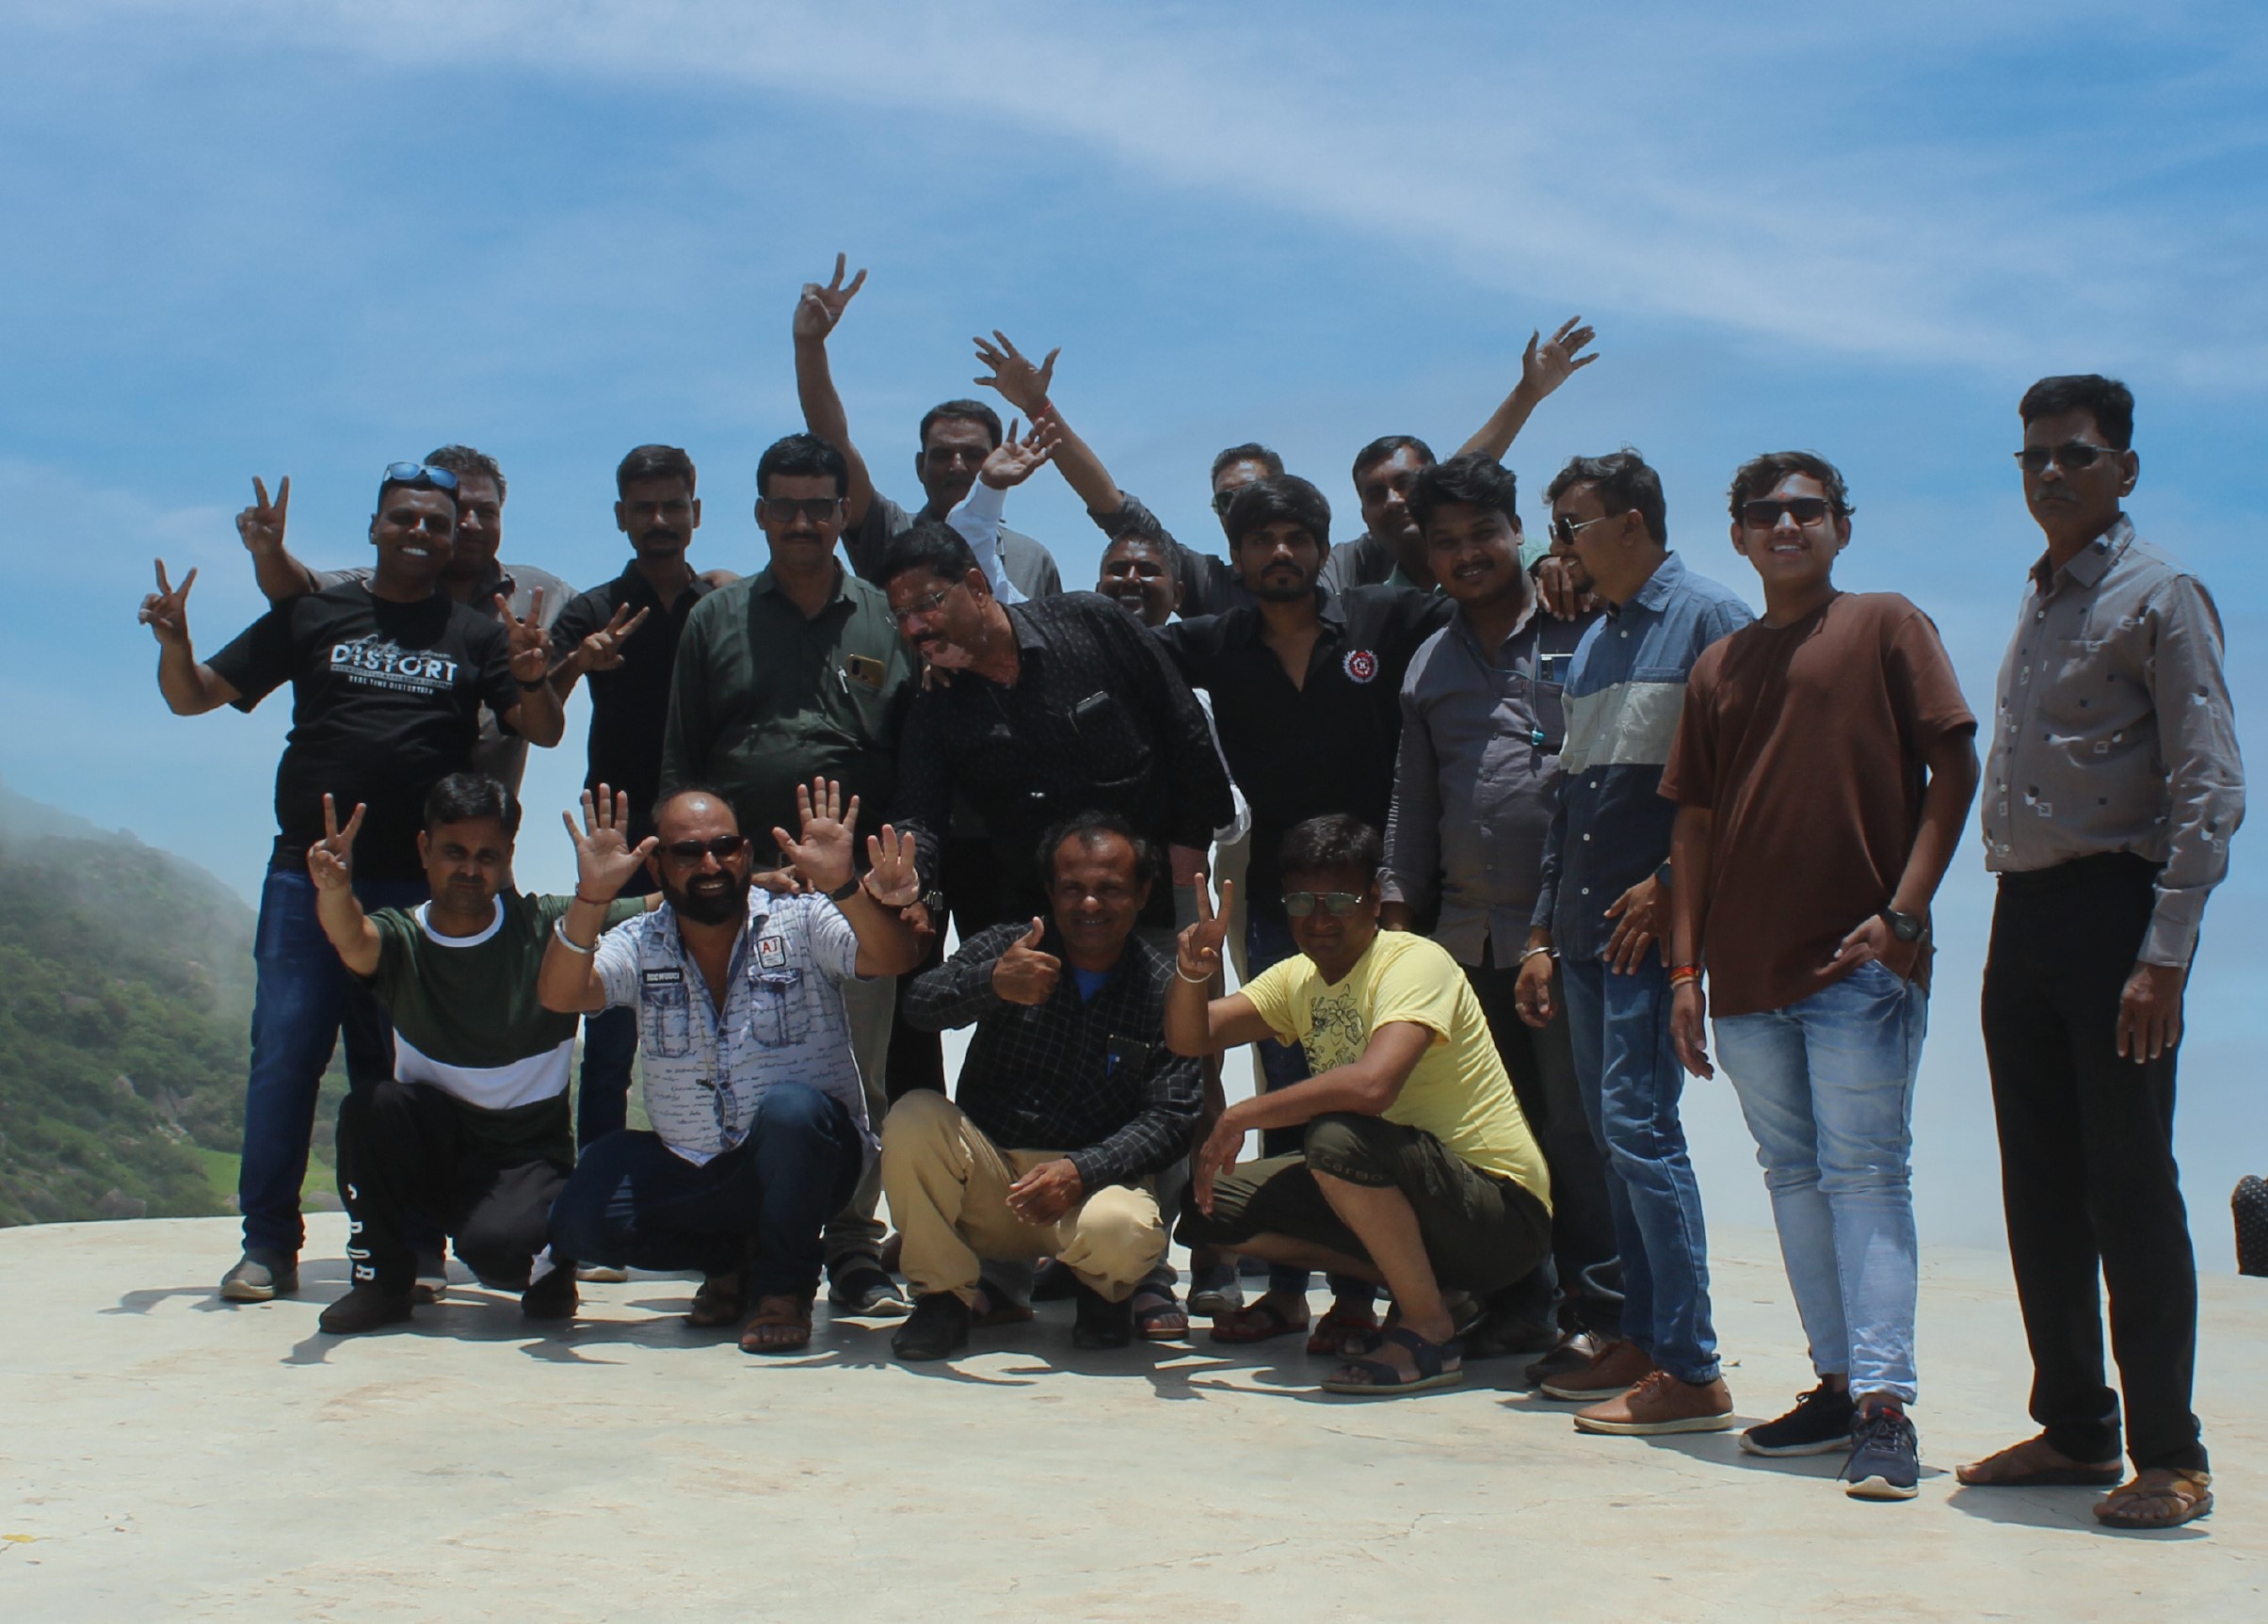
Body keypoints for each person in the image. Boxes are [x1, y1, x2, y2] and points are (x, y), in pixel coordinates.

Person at [139, 461, 563, 1303]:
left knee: (400, 1072)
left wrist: (528, 673)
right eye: (404, 518)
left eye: (436, 523)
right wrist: (175, 645)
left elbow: (542, 730)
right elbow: (194, 698)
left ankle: (413, 1244)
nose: (421, 533)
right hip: (308, 875)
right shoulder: (313, 613)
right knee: (285, 1055)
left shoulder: (474, 633)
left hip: (417, 895)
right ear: (374, 528)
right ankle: (268, 1244)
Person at [1659, 452, 1978, 1500]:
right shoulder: (1719, 667)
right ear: (1738, 536)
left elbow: (1953, 767)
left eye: (1807, 510)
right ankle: (1836, 1385)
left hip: (1860, 963)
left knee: (1867, 1174)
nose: (1786, 525)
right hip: (1745, 976)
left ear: (1841, 525)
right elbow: (1693, 826)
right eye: (1765, 513)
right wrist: (1685, 969)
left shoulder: (1886, 624)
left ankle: (1885, 1407)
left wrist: (1905, 913)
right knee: (1792, 1177)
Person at [1956, 375, 2242, 1532]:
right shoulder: (2040, 596)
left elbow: (2209, 786)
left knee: (2129, 1185)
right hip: (2023, 914)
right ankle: (2077, 1427)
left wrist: (2164, 953)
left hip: (2118, 919)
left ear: (2123, 469)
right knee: (2039, 1184)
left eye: (2073, 455)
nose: (2050, 474)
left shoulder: (2159, 594)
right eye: (2033, 456)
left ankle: (2171, 1454)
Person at [1153, 474, 1450, 1353]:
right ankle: (1287, 1290)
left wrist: (1555, 568)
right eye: (1261, 540)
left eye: (1295, 538)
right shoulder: (1213, 642)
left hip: (1383, 903)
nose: (1279, 553)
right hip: (1281, 908)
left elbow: (1485, 598)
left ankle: (1361, 1296)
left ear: (1322, 548)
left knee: (1371, 1100)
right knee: (1285, 1090)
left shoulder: (1385, 619)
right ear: (1236, 554)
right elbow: (1115, 650)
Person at [1513, 449, 1751, 1435]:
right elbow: (1571, 803)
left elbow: (1744, 785)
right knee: (1613, 1141)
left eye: (1572, 524)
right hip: (1581, 936)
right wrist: (1539, 929)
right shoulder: (1594, 645)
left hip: (1650, 939)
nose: (1560, 545)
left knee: (1643, 1136)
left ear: (1633, 522)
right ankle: (1642, 1339)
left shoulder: (1709, 619)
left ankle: (1692, 1368)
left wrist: (1668, 885)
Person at [656, 432, 922, 1316]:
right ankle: (738, 1249)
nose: (802, 522)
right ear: (761, 513)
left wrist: (890, 879)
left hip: (852, 895)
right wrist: (698, 884)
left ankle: (850, 1246)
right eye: (785, 506)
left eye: (819, 506)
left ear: (844, 512)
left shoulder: (883, 616)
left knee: (858, 1076)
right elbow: (681, 761)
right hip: (737, 890)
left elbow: (914, 760)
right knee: (731, 1071)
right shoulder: (715, 620)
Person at [1168, 815, 1553, 1397]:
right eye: (1303, 901)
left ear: (1375, 899)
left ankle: (1426, 1329)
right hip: (1404, 1189)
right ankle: (1433, 1290)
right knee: (1210, 1209)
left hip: (1499, 1213)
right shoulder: (1298, 978)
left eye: (1340, 900)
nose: (1320, 919)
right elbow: (1189, 1037)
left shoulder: (1414, 962)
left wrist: (1244, 1113)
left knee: (1335, 1138)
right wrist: (1194, 973)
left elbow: (1374, 1087)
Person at [540, 780, 925, 1353]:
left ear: (746, 853)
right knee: (579, 1217)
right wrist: (591, 899)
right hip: (696, 1169)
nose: (710, 864)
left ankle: (784, 1289)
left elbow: (891, 956)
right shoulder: (640, 941)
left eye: (725, 846)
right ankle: (732, 1260)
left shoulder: (800, 919)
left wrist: (844, 885)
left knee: (791, 1111)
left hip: (805, 1159)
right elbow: (560, 994)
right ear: (658, 867)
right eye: (688, 852)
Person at [1380, 454, 1620, 1367]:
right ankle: (1522, 1303)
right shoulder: (1429, 662)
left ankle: (1604, 1313)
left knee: (1576, 1129)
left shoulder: (1582, 623)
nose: (1467, 553)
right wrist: (1395, 921)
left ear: (1520, 532)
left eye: (1484, 532)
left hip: (1568, 934)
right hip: (1464, 941)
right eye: (1445, 541)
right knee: (1493, 1134)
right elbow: (1412, 801)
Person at [304, 773, 650, 1334]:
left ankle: (548, 1259)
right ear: (425, 850)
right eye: (454, 852)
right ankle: (381, 1284)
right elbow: (352, 939)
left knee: (500, 1253)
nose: (470, 869)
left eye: (487, 856)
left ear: (508, 857)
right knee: (373, 1108)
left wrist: (755, 881)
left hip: (523, 1161)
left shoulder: (546, 926)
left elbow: (666, 906)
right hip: (437, 1151)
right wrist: (335, 891)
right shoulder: (403, 938)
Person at [885, 813, 1204, 1359]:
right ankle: (941, 1299)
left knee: (1125, 1227)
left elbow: (1173, 1117)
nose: (1090, 904)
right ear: (1051, 892)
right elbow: (919, 1005)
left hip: (1088, 1191)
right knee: (913, 1116)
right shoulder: (1012, 945)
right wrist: (991, 983)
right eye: (1073, 888)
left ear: (1143, 893)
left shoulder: (1162, 986)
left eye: (1110, 889)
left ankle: (1104, 1296)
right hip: (994, 1185)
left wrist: (1081, 1171)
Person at [881, 523, 1232, 941]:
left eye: (927, 604)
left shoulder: (1091, 622)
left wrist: (1191, 846)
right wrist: (907, 867)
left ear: (976, 587)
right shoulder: (936, 707)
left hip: (1157, 893)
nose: (914, 627)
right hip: (1044, 919)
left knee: (1186, 988)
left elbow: (1184, 726)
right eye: (900, 615)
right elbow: (919, 813)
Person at [547, 443, 719, 1163]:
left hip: (707, 837)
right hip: (617, 835)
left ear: (695, 512)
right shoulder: (593, 610)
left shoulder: (720, 606)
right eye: (644, 507)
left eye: (673, 505)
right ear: (621, 516)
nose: (659, 520)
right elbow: (538, 710)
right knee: (612, 1022)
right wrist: (576, 663)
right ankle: (599, 1177)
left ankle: (716, 1173)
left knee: (720, 1010)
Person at [234, 445, 571, 796]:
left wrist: (562, 669)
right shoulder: (366, 592)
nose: (471, 524)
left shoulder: (541, 593)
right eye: (460, 511)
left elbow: (599, 628)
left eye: (486, 512)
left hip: (481, 825)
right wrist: (269, 552)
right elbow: (300, 594)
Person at [791, 256, 1060, 597]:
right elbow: (834, 444)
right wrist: (810, 345)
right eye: (942, 455)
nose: (957, 466)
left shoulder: (1033, 561)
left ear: (999, 460)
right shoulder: (890, 534)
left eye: (973, 455)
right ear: (920, 467)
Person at [1318, 319, 1597, 595]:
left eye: (1405, 483)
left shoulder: (1538, 565)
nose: (1393, 500)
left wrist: (1527, 394)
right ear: (1364, 515)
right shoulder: (1370, 595)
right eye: (1376, 494)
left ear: (1515, 530)